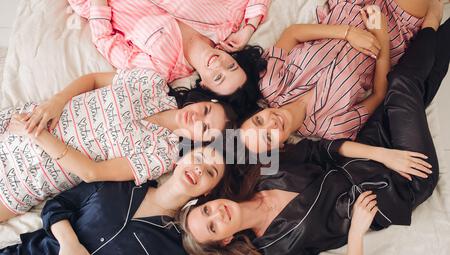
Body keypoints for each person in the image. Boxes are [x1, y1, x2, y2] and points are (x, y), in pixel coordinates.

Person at [176, 7, 450, 255]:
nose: (216, 213)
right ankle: (434, 19)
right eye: (213, 226)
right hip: (395, 186)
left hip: (369, 149)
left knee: (407, 87)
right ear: (225, 239)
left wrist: (382, 154)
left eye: (206, 210)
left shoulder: (263, 174)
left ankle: (436, 27)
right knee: (403, 85)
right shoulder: (277, 253)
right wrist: (357, 231)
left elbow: (323, 148)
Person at [0, 68, 236, 222]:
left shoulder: (164, 154)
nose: (196, 118)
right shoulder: (152, 83)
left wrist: (38, 135)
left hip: (24, 180)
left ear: (202, 141)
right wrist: (56, 101)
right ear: (207, 100)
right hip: (18, 124)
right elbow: (93, 80)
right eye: (205, 111)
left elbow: (92, 173)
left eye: (204, 128)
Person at [0, 145, 226, 255]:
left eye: (210, 172)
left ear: (208, 191)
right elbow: (58, 205)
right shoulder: (119, 183)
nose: (199, 168)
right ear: (181, 159)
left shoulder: (174, 253)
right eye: (198, 158)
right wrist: (69, 244)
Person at [239, 0, 436, 153]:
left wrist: (348, 33)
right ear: (280, 147)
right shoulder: (333, 128)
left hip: (348, 7)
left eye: (259, 121)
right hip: (392, 27)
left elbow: (293, 33)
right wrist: (382, 37)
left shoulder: (271, 84)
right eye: (268, 137)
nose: (271, 123)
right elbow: (378, 96)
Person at [68, 0, 270, 111]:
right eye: (231, 66)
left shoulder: (159, 68)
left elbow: (104, 39)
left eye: (218, 77)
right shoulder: (226, 22)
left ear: (205, 86)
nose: (220, 64)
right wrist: (249, 27)